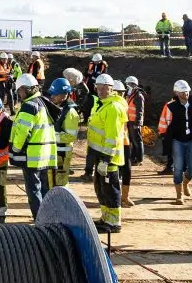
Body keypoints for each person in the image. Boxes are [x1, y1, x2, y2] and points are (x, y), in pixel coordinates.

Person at [8, 73, 58, 220]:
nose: (19, 94)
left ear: (25, 89)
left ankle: (39, 219)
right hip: (44, 155)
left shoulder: (29, 106)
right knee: (43, 188)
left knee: (33, 190)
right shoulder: (43, 102)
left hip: (32, 156)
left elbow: (23, 131)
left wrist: (15, 150)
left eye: (20, 91)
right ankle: (47, 218)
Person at [157, 80, 192, 205]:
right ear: (176, 93)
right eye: (181, 92)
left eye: (186, 91)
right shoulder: (170, 106)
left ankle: (186, 182)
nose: (185, 94)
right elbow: (164, 121)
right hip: (177, 140)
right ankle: (179, 196)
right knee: (178, 167)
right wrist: (163, 134)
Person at [87, 73, 128, 233]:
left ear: (112, 89)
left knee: (110, 188)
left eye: (105, 88)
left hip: (108, 157)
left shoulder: (113, 108)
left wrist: (106, 159)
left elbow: (113, 137)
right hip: (100, 154)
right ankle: (106, 217)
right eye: (99, 88)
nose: (101, 91)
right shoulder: (101, 104)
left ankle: (114, 222)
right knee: (101, 188)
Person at [47, 78, 80, 188]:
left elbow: (70, 136)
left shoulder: (70, 112)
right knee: (51, 183)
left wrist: (49, 136)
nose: (52, 97)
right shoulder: (57, 108)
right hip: (54, 153)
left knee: (60, 184)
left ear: (64, 94)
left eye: (55, 94)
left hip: (62, 154)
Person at [124, 76, 146, 171]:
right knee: (133, 141)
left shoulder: (138, 95)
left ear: (133, 85)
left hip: (134, 121)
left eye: (129, 84)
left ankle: (139, 159)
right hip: (130, 120)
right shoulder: (131, 94)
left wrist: (137, 122)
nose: (127, 86)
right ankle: (133, 158)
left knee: (137, 141)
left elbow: (140, 110)